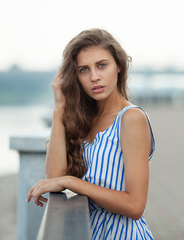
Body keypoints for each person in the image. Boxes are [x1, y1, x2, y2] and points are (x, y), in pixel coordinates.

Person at [26, 28, 155, 239]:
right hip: (90, 232)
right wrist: (59, 108)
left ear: (119, 67)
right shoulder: (83, 121)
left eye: (102, 65)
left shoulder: (131, 119)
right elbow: (55, 177)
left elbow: (135, 206)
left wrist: (72, 182)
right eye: (83, 70)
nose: (94, 77)